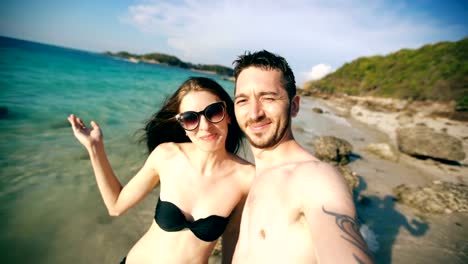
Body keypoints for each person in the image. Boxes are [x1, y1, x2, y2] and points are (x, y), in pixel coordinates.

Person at [67, 77, 254, 264]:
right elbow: (115, 206)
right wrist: (95, 148)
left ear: (228, 115)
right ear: (183, 126)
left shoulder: (247, 178)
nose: (204, 126)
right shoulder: (167, 155)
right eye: (190, 118)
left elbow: (233, 237)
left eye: (213, 112)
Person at [231, 50, 374, 263]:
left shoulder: (314, 176)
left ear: (295, 105)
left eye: (268, 98)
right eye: (242, 100)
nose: (254, 113)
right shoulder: (252, 177)